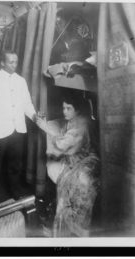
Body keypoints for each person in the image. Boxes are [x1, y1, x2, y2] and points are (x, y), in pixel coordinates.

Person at [37, 94, 100, 237]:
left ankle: (76, 226)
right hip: (76, 157)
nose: (64, 111)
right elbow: (63, 138)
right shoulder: (71, 121)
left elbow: (62, 145)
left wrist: (45, 127)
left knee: (73, 181)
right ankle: (61, 219)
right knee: (66, 180)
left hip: (88, 158)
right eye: (63, 108)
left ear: (76, 110)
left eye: (68, 108)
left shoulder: (81, 124)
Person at [0, 50, 37, 205]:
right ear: (2, 63)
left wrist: (34, 116)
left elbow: (27, 104)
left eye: (16, 61)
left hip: (17, 131)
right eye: (10, 62)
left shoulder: (21, 81)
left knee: (15, 166)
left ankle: (15, 194)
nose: (14, 65)